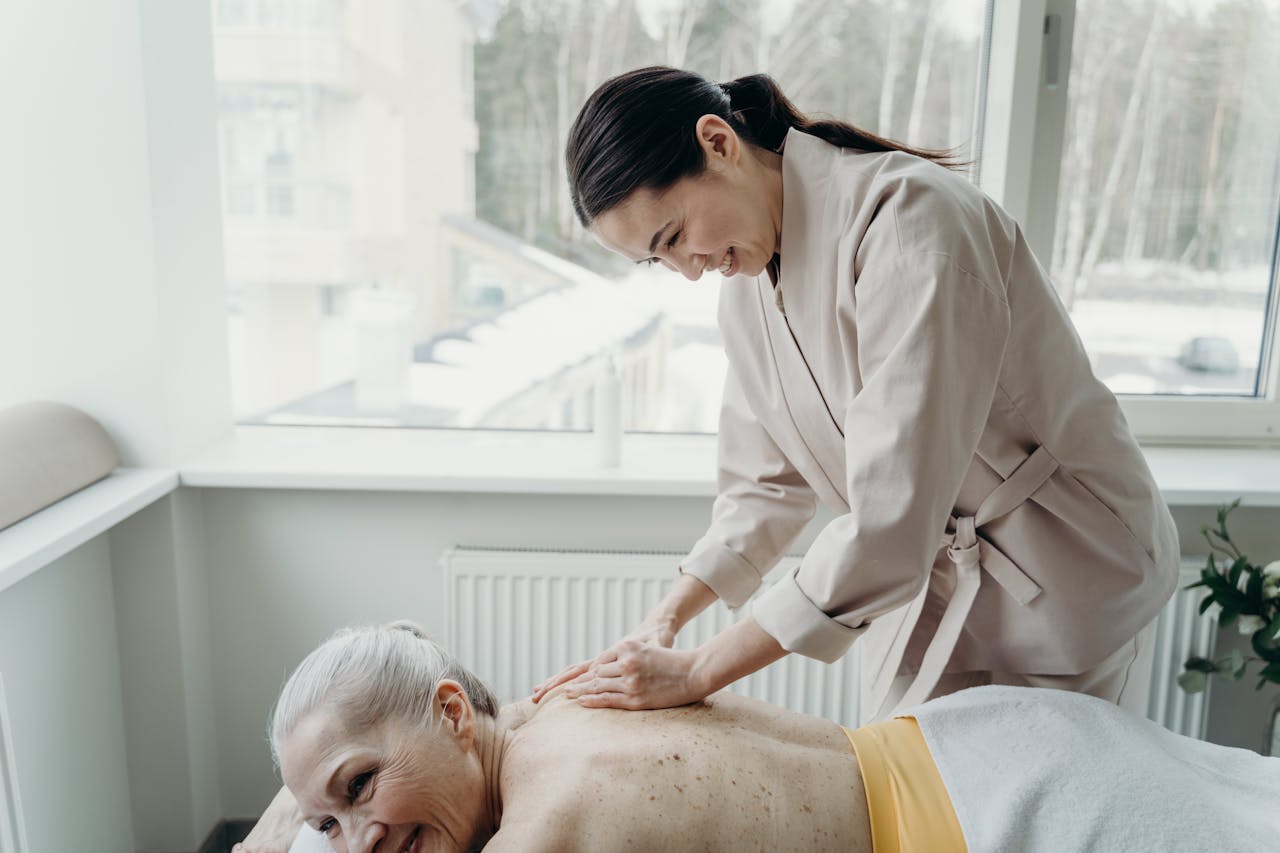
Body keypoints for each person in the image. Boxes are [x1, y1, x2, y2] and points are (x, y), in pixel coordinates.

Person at [533, 66, 1180, 720]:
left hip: (1071, 576)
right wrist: (661, 622)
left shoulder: (909, 221)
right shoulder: (748, 294)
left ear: (718, 142)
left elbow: (890, 518)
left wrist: (699, 670)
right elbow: (763, 488)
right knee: (915, 808)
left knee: (1043, 813)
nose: (688, 271)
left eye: (673, 237)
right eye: (657, 260)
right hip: (936, 591)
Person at [239, 622, 1280, 853]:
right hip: (991, 737)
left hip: (1008, 816)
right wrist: (317, 797)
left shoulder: (546, 829)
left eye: (361, 786)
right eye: (330, 823)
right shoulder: (565, 704)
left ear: (454, 715)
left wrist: (283, 822)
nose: (358, 840)